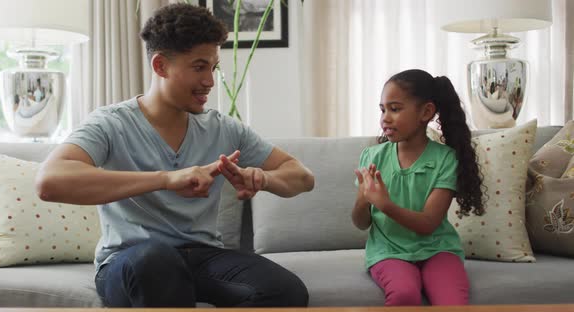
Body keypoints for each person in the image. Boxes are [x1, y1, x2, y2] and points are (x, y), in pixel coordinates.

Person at [35, 3, 314, 308]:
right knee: (156, 262)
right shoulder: (110, 123)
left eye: (213, 67)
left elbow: (302, 177)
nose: (210, 80)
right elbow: (50, 181)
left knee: (286, 290)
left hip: (202, 257)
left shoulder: (223, 128)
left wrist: (262, 178)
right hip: (131, 262)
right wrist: (166, 179)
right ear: (160, 66)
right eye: (199, 66)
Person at [352, 69, 484, 306]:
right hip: (389, 252)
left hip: (438, 250)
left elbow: (428, 224)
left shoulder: (445, 159)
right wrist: (365, 198)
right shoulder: (372, 157)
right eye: (383, 109)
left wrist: (385, 204)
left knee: (451, 301)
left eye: (395, 109)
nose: (385, 118)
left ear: (426, 112)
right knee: (404, 294)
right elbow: (361, 223)